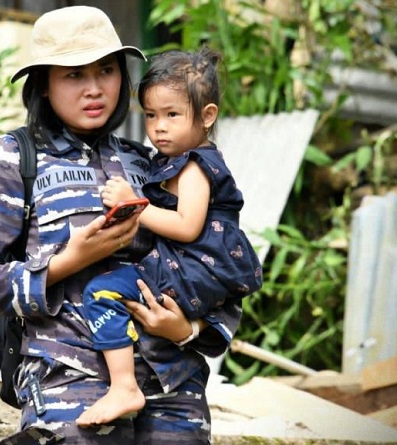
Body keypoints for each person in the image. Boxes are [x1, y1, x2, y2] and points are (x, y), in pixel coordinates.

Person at [0, 6, 241, 444]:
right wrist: (67, 262)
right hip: (70, 383)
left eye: (106, 70)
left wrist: (189, 331)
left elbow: (216, 258)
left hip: (173, 388)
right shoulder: (11, 159)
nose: (94, 89)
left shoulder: (151, 162)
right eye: (74, 75)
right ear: (44, 84)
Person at [75, 48, 263, 426]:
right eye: (150, 115)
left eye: (172, 114)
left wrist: (133, 204)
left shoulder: (194, 166)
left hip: (189, 269)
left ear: (207, 116)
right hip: (196, 270)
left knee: (100, 293)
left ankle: (124, 386)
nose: (159, 126)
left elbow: (187, 226)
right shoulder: (179, 159)